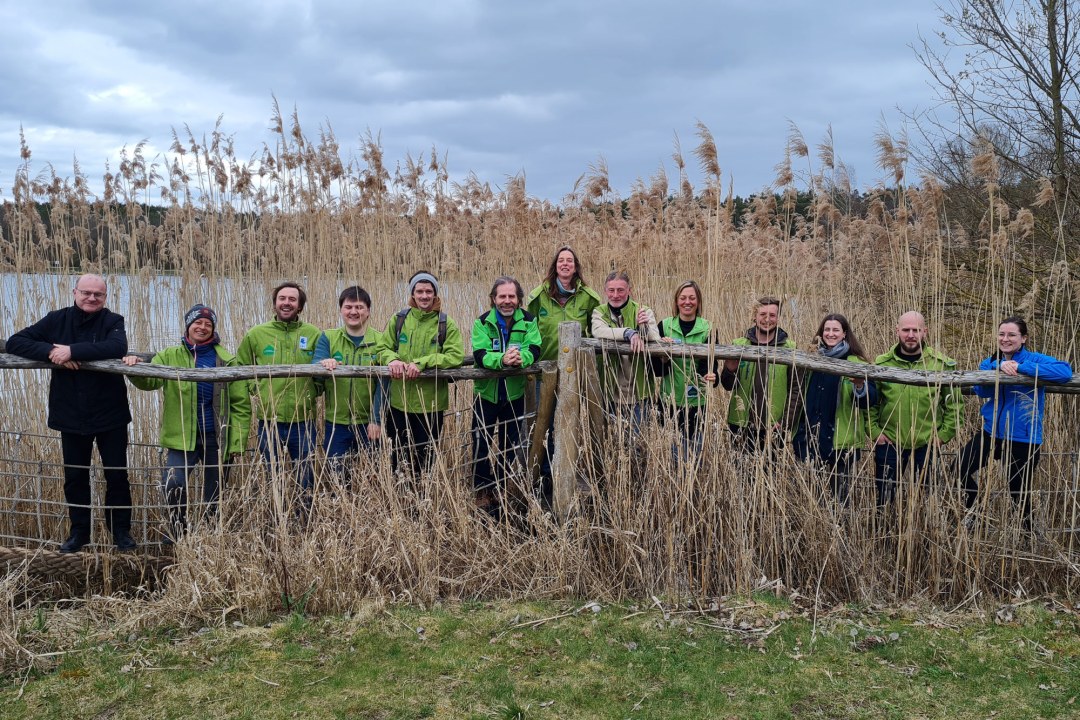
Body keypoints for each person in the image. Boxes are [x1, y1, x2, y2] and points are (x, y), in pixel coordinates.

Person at [6, 274, 135, 553]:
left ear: (105, 297)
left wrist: (74, 351)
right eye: (86, 293)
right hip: (70, 413)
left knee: (116, 475)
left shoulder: (113, 321)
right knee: (75, 477)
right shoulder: (57, 319)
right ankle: (79, 533)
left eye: (98, 295)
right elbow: (16, 341)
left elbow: (116, 347)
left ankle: (121, 533)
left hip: (110, 413)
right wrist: (53, 351)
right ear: (75, 292)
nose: (92, 298)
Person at [123, 304, 251, 540]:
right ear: (188, 325)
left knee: (214, 493)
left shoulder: (226, 360)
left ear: (213, 329)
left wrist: (236, 442)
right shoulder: (170, 355)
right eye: (197, 323)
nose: (202, 327)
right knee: (173, 484)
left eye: (208, 324)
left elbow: (241, 405)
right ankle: (177, 532)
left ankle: (211, 535)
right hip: (181, 436)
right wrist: (134, 368)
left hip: (216, 437)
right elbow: (149, 383)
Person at [957, 316, 1073, 525]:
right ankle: (976, 507)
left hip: (1023, 438)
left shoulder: (1034, 359)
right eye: (1001, 334)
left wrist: (1020, 368)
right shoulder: (990, 362)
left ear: (1023, 338)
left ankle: (1026, 537)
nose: (1005, 339)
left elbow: (1064, 372)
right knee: (959, 469)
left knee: (1018, 493)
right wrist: (998, 368)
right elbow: (981, 391)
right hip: (991, 433)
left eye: (1012, 335)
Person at [526, 246, 603, 488]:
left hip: (574, 372)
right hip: (544, 372)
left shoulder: (589, 298)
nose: (565, 264)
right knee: (543, 423)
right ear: (555, 265)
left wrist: (593, 373)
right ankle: (544, 474)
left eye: (570, 260)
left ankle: (567, 470)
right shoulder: (538, 296)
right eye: (561, 260)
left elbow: (596, 334)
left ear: (576, 266)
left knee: (569, 421)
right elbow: (527, 329)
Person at [869, 311, 964, 506]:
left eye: (916, 330)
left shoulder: (941, 365)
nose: (910, 335)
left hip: (927, 443)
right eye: (906, 330)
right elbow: (871, 402)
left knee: (926, 501)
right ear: (897, 331)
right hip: (889, 441)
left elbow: (954, 405)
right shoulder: (881, 364)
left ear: (925, 332)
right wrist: (875, 432)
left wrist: (942, 436)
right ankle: (885, 532)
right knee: (884, 499)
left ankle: (922, 535)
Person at [236, 282, 322, 494]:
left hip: (303, 421)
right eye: (282, 298)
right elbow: (240, 366)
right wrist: (257, 388)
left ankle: (305, 522)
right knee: (271, 479)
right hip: (269, 421)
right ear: (275, 304)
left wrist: (314, 389)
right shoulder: (256, 334)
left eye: (292, 299)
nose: (286, 303)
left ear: (300, 306)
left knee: (306, 478)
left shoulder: (313, 334)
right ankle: (275, 522)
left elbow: (322, 367)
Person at [377, 271, 464, 475]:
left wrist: (423, 363)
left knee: (425, 460)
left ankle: (422, 500)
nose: (424, 296)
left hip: (431, 405)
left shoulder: (445, 324)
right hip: (399, 403)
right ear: (412, 294)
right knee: (398, 459)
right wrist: (393, 359)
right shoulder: (399, 320)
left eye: (428, 291)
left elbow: (455, 356)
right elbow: (381, 349)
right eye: (419, 291)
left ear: (435, 294)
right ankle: (401, 499)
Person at [786, 313, 876, 504]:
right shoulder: (809, 359)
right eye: (827, 329)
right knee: (811, 497)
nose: (830, 333)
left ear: (844, 334)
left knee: (840, 497)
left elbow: (869, 401)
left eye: (836, 330)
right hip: (810, 437)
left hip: (841, 440)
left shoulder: (857, 363)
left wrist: (860, 385)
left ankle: (840, 530)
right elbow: (796, 392)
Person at [470, 276, 542, 517]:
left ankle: (499, 487)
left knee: (508, 447)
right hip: (486, 395)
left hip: (514, 395)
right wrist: (501, 360)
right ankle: (482, 490)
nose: (507, 301)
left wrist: (524, 359)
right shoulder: (482, 322)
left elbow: (534, 347)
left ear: (519, 299)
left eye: (512, 296)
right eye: (502, 296)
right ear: (493, 299)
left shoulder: (529, 320)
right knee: (480, 444)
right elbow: (480, 354)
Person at [313, 286, 385, 479]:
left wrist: (376, 419)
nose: (354, 312)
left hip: (368, 424)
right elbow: (315, 368)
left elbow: (384, 384)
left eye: (359, 307)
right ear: (341, 310)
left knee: (372, 477)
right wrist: (323, 364)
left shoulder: (381, 341)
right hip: (336, 423)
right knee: (337, 477)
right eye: (349, 307)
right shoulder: (328, 337)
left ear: (368, 311)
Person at [720, 296, 796, 456]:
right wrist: (730, 370)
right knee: (740, 476)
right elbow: (727, 385)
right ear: (754, 316)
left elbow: (796, 390)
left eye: (772, 315)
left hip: (773, 428)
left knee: (771, 477)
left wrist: (784, 423)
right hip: (740, 423)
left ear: (778, 317)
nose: (767, 319)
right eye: (762, 314)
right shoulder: (739, 345)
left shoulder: (790, 348)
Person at [591, 270, 661, 432]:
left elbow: (655, 337)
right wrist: (629, 332)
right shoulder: (599, 312)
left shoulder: (643, 311)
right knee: (609, 443)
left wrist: (642, 328)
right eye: (611, 290)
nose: (616, 295)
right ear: (605, 291)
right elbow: (599, 331)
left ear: (629, 290)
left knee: (638, 443)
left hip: (639, 393)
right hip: (609, 392)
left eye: (621, 290)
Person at [656, 280, 718, 458]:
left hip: (697, 403)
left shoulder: (708, 329)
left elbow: (711, 369)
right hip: (669, 400)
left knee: (693, 454)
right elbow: (656, 371)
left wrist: (712, 377)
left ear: (698, 301)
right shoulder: (665, 326)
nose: (687, 302)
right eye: (682, 298)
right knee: (669, 455)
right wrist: (664, 354)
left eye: (692, 298)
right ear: (676, 301)